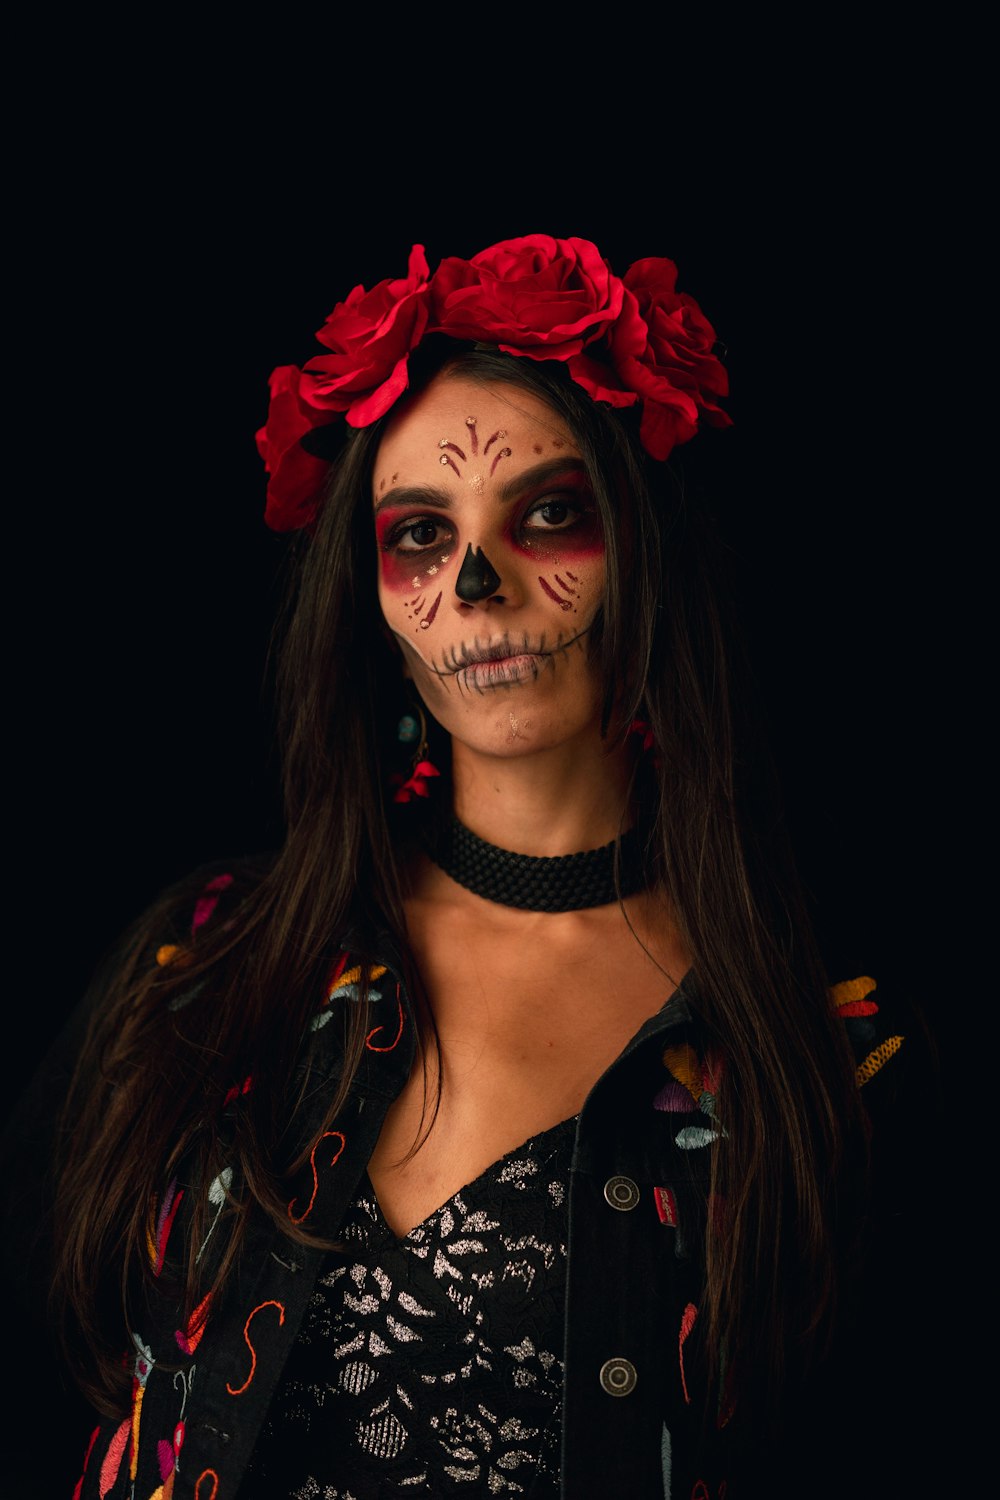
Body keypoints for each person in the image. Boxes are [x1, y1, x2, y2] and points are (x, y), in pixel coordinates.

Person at [5, 236, 911, 1498]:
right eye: (421, 534)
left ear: (643, 545)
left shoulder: (801, 1057)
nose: (476, 589)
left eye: (548, 512)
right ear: (367, 597)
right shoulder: (209, 965)